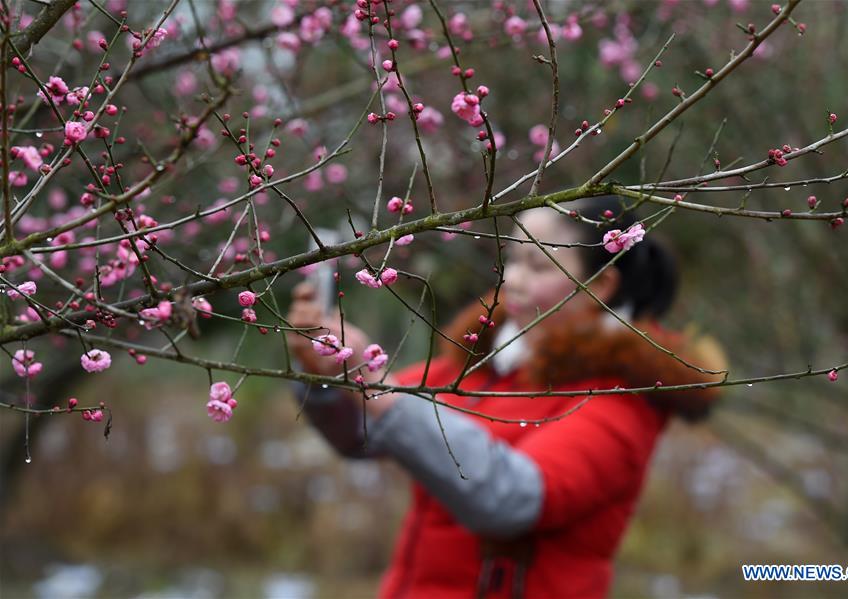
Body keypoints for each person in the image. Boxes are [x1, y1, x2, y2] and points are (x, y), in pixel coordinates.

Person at [288, 196, 727, 599]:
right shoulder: (484, 364)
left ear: (601, 284)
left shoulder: (621, 399)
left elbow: (512, 499)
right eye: (513, 259)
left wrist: (373, 383)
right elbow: (367, 430)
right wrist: (327, 375)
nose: (512, 280)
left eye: (538, 266)